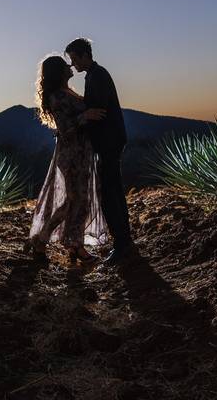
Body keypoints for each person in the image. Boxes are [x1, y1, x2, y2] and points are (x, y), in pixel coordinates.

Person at [27, 55, 109, 264]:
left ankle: (69, 244)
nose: (70, 65)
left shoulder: (66, 92)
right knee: (74, 200)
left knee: (80, 200)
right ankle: (50, 240)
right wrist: (86, 115)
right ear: (58, 71)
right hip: (71, 154)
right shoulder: (57, 97)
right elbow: (65, 129)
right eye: (65, 65)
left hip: (81, 152)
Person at [64, 37, 134, 266]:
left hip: (109, 142)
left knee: (110, 193)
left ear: (85, 55)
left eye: (74, 58)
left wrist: (77, 121)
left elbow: (97, 111)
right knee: (112, 190)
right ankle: (124, 241)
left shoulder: (98, 76)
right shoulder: (94, 76)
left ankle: (122, 243)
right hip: (109, 142)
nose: (73, 64)